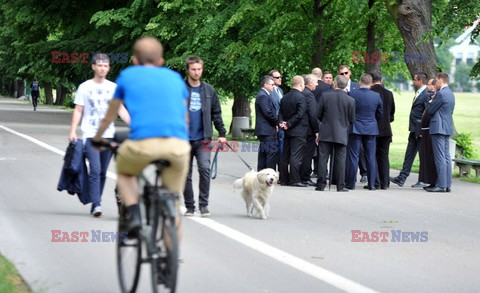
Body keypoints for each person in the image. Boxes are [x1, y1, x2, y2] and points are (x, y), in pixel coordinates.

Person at [92, 37, 190, 232]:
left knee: (124, 173)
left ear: (134, 60)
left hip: (142, 144)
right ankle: (172, 258)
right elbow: (185, 117)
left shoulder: (127, 76)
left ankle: (134, 213)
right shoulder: (176, 79)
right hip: (177, 146)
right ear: (161, 61)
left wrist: (98, 137)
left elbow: (111, 114)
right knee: (173, 206)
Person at [69, 53, 130, 217]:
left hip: (108, 135)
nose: (103, 68)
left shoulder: (113, 87)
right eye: (100, 65)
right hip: (91, 134)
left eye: (106, 66)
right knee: (95, 170)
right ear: (93, 67)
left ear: (108, 68)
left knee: (102, 172)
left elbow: (120, 109)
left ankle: (96, 200)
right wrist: (73, 131)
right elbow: (78, 110)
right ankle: (97, 204)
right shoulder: (85, 87)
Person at [183, 56, 227, 217]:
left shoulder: (209, 90)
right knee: (185, 174)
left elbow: (216, 113)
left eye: (199, 69)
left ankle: (203, 205)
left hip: (204, 138)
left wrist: (221, 133)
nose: (196, 72)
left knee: (205, 170)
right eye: (193, 69)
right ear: (188, 69)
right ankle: (189, 206)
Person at [315, 75, 355, 192]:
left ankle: (321, 184)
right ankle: (340, 185)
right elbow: (352, 119)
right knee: (341, 160)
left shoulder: (325, 96)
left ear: (335, 84)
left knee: (323, 159)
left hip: (326, 131)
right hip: (342, 132)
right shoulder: (350, 100)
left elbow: (318, 114)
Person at [390, 72, 430, 188]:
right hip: (414, 129)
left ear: (421, 81)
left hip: (419, 129)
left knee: (422, 155)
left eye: (415, 79)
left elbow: (427, 113)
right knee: (409, 154)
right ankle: (402, 177)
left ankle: (423, 180)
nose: (413, 81)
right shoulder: (419, 92)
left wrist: (422, 128)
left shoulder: (426, 94)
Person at [345, 73, 383, 190]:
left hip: (356, 127)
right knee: (371, 157)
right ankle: (372, 184)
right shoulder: (376, 96)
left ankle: (351, 183)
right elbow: (380, 113)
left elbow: (348, 111)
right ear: (371, 83)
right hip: (371, 127)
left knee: (353, 156)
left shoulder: (353, 94)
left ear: (360, 81)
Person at [426, 73, 455, 192]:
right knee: (447, 157)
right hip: (447, 127)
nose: (435, 83)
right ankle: (447, 184)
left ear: (440, 80)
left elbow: (430, 110)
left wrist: (431, 101)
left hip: (438, 128)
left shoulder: (441, 94)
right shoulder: (451, 94)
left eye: (436, 80)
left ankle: (441, 185)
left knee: (440, 158)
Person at [279, 76, 307, 187]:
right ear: (300, 84)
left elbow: (280, 112)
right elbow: (300, 114)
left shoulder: (285, 97)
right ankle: (295, 180)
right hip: (298, 131)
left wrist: (283, 123)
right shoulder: (301, 97)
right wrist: (289, 124)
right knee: (296, 156)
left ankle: (284, 179)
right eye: (304, 83)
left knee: (285, 156)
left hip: (287, 131)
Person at [370, 70, 395, 189]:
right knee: (384, 156)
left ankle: (376, 181)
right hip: (386, 129)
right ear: (381, 80)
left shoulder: (370, 93)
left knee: (373, 155)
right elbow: (392, 113)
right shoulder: (389, 94)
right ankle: (385, 182)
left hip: (373, 129)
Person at [254, 76, 278, 171]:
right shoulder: (263, 96)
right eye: (272, 85)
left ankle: (261, 174)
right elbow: (268, 113)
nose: (274, 86)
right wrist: (277, 122)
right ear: (265, 84)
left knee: (264, 154)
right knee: (270, 154)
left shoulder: (264, 95)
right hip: (266, 130)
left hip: (266, 130)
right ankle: (268, 174)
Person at [300, 74, 319, 186]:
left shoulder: (303, 93)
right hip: (309, 130)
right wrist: (317, 130)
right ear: (310, 82)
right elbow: (313, 115)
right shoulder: (309, 95)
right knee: (307, 155)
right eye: (316, 81)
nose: (317, 84)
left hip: (303, 129)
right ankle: (305, 177)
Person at [418, 79, 438, 188]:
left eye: (429, 84)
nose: (427, 86)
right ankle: (428, 180)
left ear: (434, 86)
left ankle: (433, 181)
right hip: (425, 129)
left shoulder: (434, 97)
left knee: (430, 156)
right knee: (425, 156)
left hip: (430, 130)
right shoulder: (430, 96)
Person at [269, 69, 284, 167]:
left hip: (281, 122)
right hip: (274, 124)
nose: (280, 79)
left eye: (280, 77)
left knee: (281, 148)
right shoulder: (269, 91)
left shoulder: (280, 90)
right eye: (277, 77)